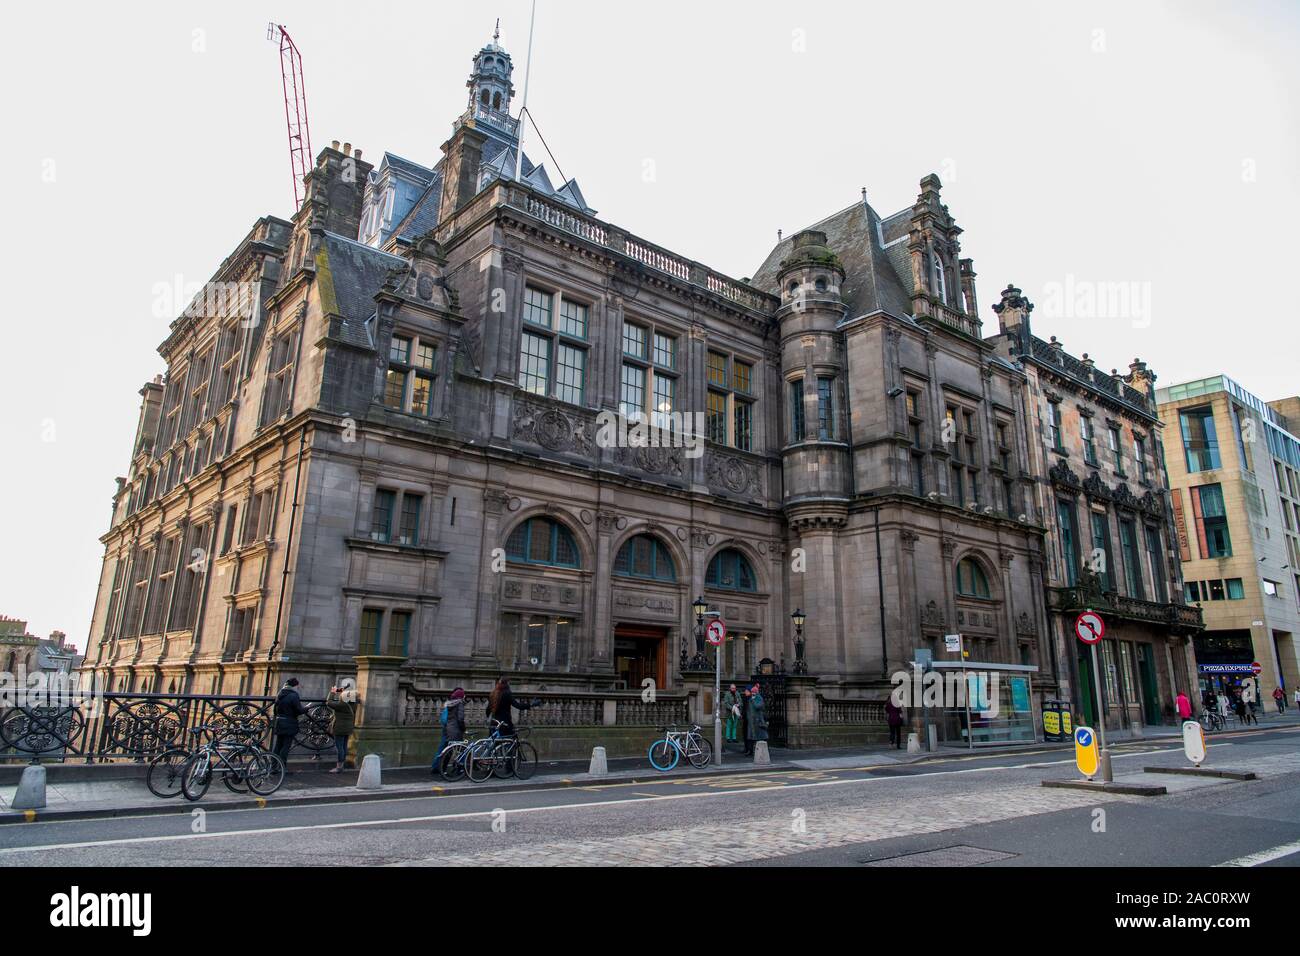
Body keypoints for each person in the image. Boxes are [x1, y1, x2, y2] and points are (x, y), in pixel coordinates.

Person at [273, 677, 308, 771]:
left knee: (278, 745)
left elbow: (275, 709)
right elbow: (299, 710)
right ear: (295, 686)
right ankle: (282, 768)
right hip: (289, 722)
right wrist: (307, 708)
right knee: (286, 746)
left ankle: (273, 767)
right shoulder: (294, 695)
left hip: (280, 721)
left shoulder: (280, 693)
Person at [432, 687, 467, 775]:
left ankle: (440, 768)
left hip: (448, 729)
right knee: (462, 748)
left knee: (447, 749)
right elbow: (460, 718)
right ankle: (460, 768)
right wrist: (463, 728)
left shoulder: (450, 704)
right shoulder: (460, 704)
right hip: (455, 730)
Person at [324, 685, 355, 773]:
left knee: (339, 747)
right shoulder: (352, 704)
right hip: (347, 728)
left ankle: (339, 767)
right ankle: (341, 765)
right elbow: (347, 697)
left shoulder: (342, 705)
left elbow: (328, 702)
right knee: (344, 746)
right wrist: (343, 691)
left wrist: (332, 692)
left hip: (340, 728)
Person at [744, 683, 768, 756]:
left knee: (760, 736)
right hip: (751, 721)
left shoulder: (759, 698)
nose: (753, 693)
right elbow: (749, 710)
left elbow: (758, 706)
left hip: (757, 720)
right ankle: (750, 751)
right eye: (752, 692)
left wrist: (754, 700)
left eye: (754, 692)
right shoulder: (751, 699)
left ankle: (761, 751)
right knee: (751, 736)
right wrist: (748, 717)